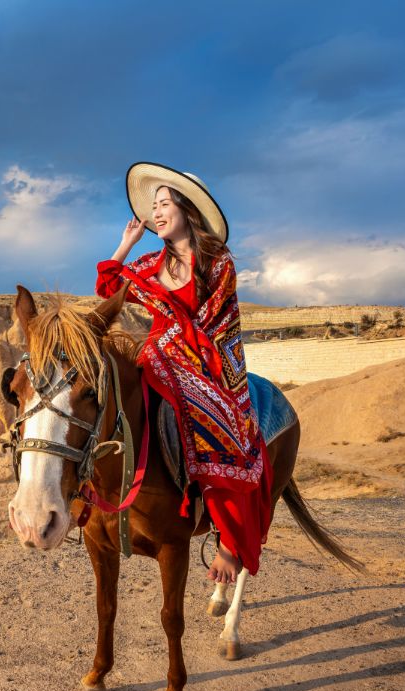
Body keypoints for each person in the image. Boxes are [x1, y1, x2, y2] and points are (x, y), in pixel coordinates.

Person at [95, 162, 274, 584]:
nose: (156, 213)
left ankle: (228, 542)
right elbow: (108, 287)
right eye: (153, 206)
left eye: (164, 204)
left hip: (207, 357)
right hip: (159, 354)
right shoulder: (147, 263)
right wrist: (124, 244)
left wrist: (179, 342)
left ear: (187, 210)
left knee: (223, 427)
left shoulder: (217, 261)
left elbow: (217, 322)